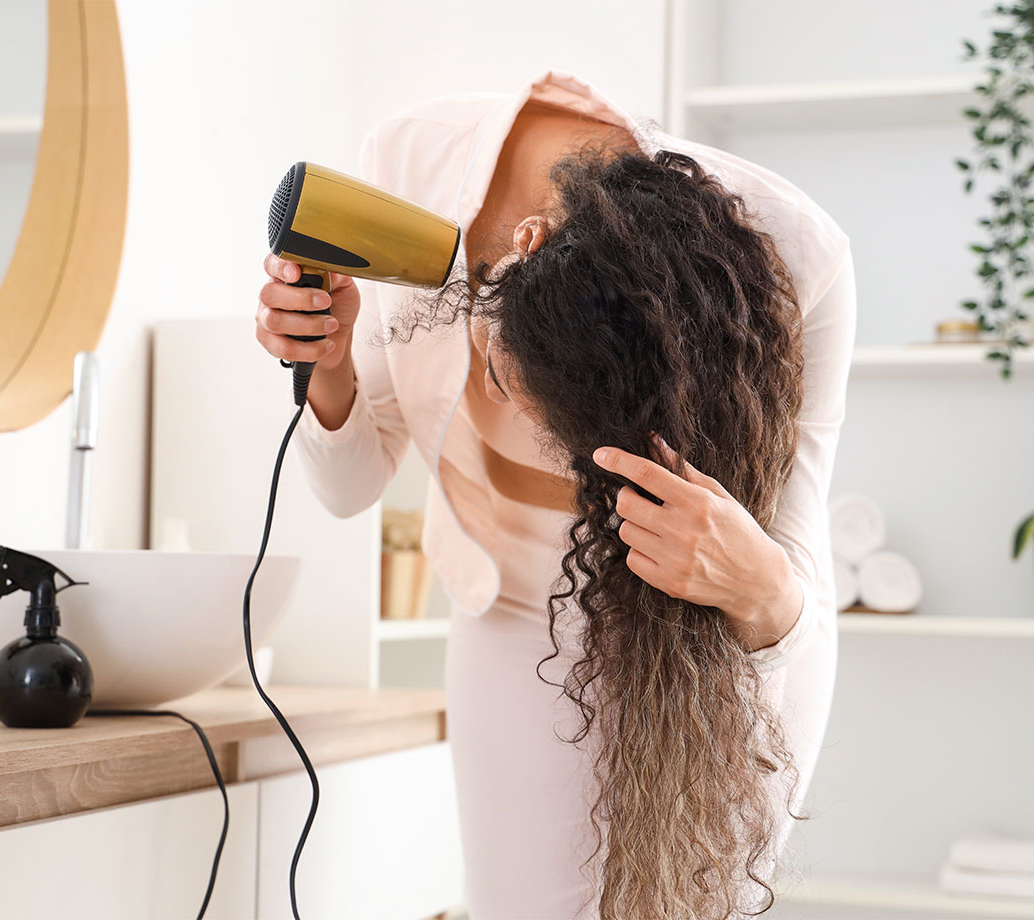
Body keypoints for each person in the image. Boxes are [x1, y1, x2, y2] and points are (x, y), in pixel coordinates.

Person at [255, 70, 854, 920]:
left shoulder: (802, 256)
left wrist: (758, 590)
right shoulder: (411, 166)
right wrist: (328, 364)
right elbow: (348, 490)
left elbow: (789, 569)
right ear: (523, 245)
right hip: (506, 607)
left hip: (720, 625)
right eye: (512, 383)